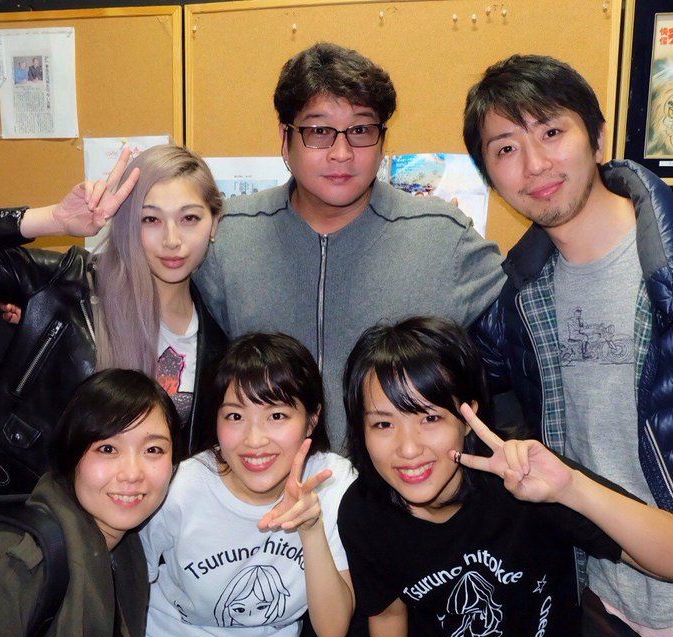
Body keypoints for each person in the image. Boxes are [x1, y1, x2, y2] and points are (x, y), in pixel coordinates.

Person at [463, 54, 673, 637]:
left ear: (599, 137)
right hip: (600, 607)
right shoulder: (517, 304)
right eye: (506, 148)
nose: (534, 165)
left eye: (552, 131)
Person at [194, 42, 505, 452]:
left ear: (382, 140)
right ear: (286, 139)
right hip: (266, 483)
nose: (341, 154)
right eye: (319, 131)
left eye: (360, 130)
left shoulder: (442, 237)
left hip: (399, 481)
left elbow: (533, 323)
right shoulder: (227, 235)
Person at [338, 316, 673, 637]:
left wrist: (571, 488)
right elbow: (388, 612)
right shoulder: (363, 512)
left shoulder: (520, 476)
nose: (408, 449)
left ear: (468, 418)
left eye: (430, 418)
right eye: (383, 424)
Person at [0, 144, 227, 495]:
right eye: (150, 219)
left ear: (214, 223)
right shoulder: (67, 284)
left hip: (134, 524)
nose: (172, 240)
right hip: (27, 510)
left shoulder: (217, 346)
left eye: (189, 218)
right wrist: (53, 219)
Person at [139, 332, 356, 637]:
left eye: (277, 416)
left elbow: (332, 631)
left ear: (312, 420)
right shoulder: (181, 487)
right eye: (235, 417)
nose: (254, 440)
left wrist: (311, 528)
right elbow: (126, 588)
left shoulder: (332, 482)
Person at [0, 368, 180, 637]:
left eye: (153, 450)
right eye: (107, 449)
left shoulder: (127, 550)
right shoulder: (17, 564)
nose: (132, 474)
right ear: (71, 456)